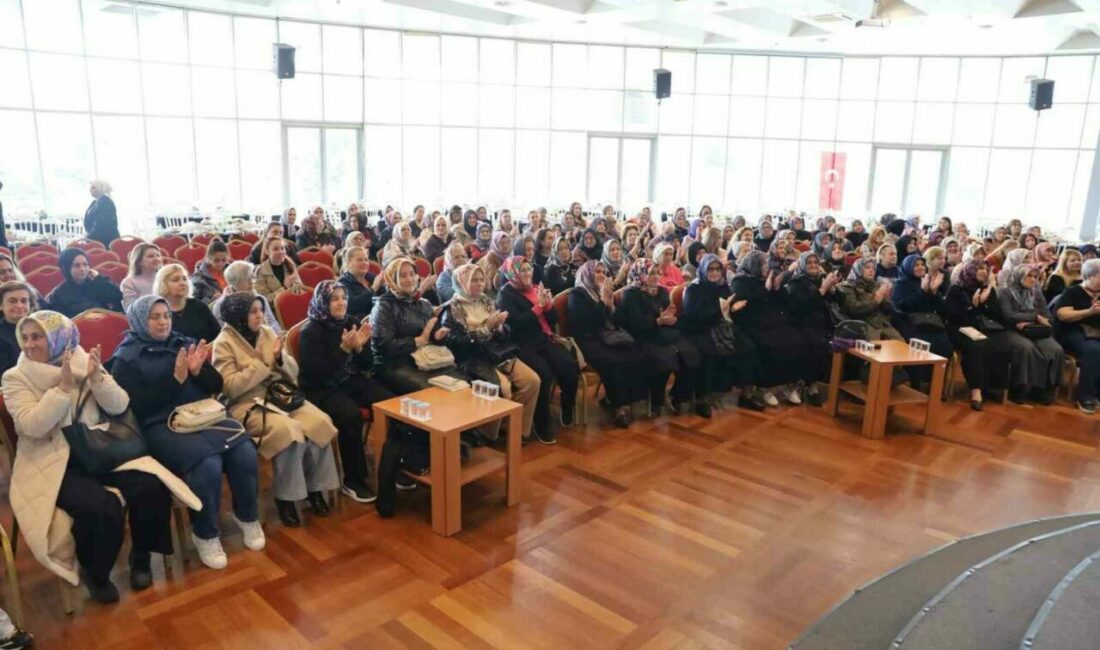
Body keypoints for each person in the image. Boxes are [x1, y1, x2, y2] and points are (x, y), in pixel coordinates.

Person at [4, 311, 198, 602]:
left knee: (150, 487)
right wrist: (62, 389)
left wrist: (97, 378)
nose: (29, 344)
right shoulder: (15, 377)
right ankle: (96, 573)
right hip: (55, 458)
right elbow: (31, 426)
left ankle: (141, 555)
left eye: (37, 336)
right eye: (26, 337)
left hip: (101, 447)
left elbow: (120, 406)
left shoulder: (83, 361)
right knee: (101, 507)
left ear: (60, 339)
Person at [111, 296, 262, 570]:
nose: (162, 322)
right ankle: (205, 533)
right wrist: (175, 381)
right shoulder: (127, 357)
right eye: (154, 317)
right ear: (139, 321)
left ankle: (247, 515)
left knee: (244, 451)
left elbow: (216, 384)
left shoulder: (183, 342)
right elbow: (135, 407)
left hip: (204, 414)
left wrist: (196, 373)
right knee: (208, 464)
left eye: (166, 315)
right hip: (162, 425)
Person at [212, 293, 339, 526]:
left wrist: (280, 358)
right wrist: (261, 364)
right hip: (247, 403)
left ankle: (316, 488)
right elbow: (229, 388)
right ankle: (286, 498)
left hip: (280, 394)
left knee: (319, 422)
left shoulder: (267, 332)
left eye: (261, 310)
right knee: (287, 432)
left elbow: (292, 373)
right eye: (253, 311)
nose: (260, 315)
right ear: (238, 315)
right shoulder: (223, 343)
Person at [299, 281, 393, 503]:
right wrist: (343, 350)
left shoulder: (350, 322)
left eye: (343, 298)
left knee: (390, 403)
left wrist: (360, 348)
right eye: (334, 299)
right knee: (349, 415)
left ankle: (394, 464)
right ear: (323, 302)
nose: (341, 302)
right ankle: (353, 479)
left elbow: (367, 365)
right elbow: (316, 374)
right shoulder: (310, 331)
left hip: (351, 380)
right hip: (322, 388)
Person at [439, 264, 540, 441]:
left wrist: (500, 327)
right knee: (504, 389)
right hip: (473, 358)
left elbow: (504, 332)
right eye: (474, 280)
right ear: (462, 283)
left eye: (481, 279)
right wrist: (487, 328)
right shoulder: (452, 308)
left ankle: (516, 430)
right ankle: (489, 435)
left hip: (497, 352)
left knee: (532, 381)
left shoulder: (486, 300)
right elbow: (457, 344)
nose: (479, 284)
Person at [496, 257, 579, 443]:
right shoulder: (505, 295)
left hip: (542, 339)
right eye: (522, 270)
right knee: (543, 374)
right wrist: (539, 307)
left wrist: (548, 305)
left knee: (568, 364)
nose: (527, 273)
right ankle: (542, 424)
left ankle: (567, 407)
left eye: (528, 269)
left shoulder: (536, 289)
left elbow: (553, 320)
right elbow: (516, 325)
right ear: (513, 274)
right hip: (521, 344)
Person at [731, 250, 825, 405]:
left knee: (798, 340)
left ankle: (790, 384)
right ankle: (766, 387)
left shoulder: (769, 278)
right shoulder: (740, 281)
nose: (767, 267)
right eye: (763, 264)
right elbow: (748, 305)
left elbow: (784, 301)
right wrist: (766, 289)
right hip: (752, 323)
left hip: (772, 322)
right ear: (754, 265)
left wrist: (777, 289)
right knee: (770, 344)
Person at [616, 259, 705, 417]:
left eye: (658, 273)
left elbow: (665, 314)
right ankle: (656, 401)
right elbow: (634, 324)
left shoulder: (662, 291)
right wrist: (658, 320)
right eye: (651, 273)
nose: (656, 277)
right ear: (641, 274)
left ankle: (677, 395)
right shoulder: (631, 294)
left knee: (691, 354)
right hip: (641, 337)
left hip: (662, 333)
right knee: (664, 360)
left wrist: (670, 317)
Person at [567, 261, 649, 427]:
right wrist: (603, 303)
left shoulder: (602, 292)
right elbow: (586, 325)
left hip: (607, 335)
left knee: (635, 353)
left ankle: (625, 399)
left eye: (603, 272)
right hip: (587, 340)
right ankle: (619, 407)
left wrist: (611, 307)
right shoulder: (577, 295)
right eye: (597, 271)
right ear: (587, 273)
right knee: (614, 360)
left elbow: (617, 322)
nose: (601, 275)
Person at [679, 254, 765, 411]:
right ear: (703, 270)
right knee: (709, 353)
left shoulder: (723, 287)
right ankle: (702, 399)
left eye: (718, 269)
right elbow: (694, 316)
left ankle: (746, 395)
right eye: (710, 269)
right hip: (700, 329)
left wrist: (733, 309)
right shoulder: (694, 289)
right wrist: (720, 310)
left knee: (749, 348)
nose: (714, 273)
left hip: (723, 326)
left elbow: (728, 313)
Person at [999, 265, 1064, 405]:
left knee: (1055, 349)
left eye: (1035, 277)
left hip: (1035, 329)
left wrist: (1029, 320)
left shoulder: (1036, 293)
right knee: (1026, 348)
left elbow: (1048, 316)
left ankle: (1041, 389)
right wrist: (1035, 316)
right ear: (1019, 276)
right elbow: (1008, 316)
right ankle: (1019, 390)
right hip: (1011, 330)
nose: (1033, 280)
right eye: (1029, 276)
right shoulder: (1005, 292)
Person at [785, 252, 842, 404]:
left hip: (821, 323)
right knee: (813, 343)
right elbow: (800, 307)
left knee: (827, 343)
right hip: (801, 323)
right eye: (809, 262)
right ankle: (805, 385)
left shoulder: (819, 280)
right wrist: (822, 290)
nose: (813, 265)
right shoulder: (796, 283)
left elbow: (838, 301)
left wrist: (833, 289)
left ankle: (813, 384)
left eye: (815, 263)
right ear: (803, 265)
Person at [891, 254, 952, 386]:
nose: (920, 268)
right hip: (908, 323)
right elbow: (903, 307)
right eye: (916, 265)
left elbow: (942, 310)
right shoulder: (900, 284)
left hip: (930, 322)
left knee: (944, 343)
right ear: (908, 267)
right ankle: (916, 382)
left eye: (922, 265)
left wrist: (934, 291)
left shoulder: (929, 281)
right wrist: (923, 291)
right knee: (922, 342)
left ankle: (936, 384)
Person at [1053, 258, 1100, 413]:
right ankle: (1086, 396)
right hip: (1072, 332)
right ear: (1091, 276)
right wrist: (1089, 312)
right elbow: (1062, 314)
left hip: (1095, 333)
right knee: (1093, 349)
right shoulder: (1073, 292)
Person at [837, 258, 902, 340]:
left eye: (873, 268)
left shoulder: (876, 285)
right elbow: (854, 309)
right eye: (867, 267)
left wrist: (885, 298)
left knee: (901, 345)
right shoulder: (848, 287)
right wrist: (876, 301)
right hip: (862, 325)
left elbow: (889, 309)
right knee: (875, 348)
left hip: (882, 324)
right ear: (858, 269)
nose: (871, 270)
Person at [46, 248, 124, 317]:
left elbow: (118, 297)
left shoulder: (97, 283)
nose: (83, 269)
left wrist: (98, 279)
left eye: (85, 264)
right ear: (66, 268)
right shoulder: (58, 295)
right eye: (77, 265)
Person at [153, 264, 220, 343]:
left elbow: (218, 335)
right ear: (162, 284)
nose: (182, 283)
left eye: (184, 279)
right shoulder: (157, 311)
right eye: (175, 280)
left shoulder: (199, 306)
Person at [210, 261, 281, 333]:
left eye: (253, 277)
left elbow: (273, 323)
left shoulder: (260, 298)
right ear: (236, 283)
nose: (252, 282)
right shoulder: (221, 307)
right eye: (248, 279)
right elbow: (228, 334)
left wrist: (275, 336)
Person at [254, 236, 305, 303]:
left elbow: (302, 290)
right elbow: (264, 300)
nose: (281, 252)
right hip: (274, 311)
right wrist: (285, 288)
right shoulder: (260, 271)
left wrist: (296, 288)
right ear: (267, 251)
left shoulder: (290, 266)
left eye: (282, 248)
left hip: (294, 305)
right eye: (275, 249)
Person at [0, 282, 35, 376]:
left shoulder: (42, 325)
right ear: (1, 305)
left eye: (24, 301)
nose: (19, 306)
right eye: (12, 301)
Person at [338, 246, 378, 323]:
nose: (364, 263)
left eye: (366, 260)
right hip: (356, 324)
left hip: (379, 319)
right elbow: (352, 305)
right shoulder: (343, 283)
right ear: (349, 263)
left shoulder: (373, 277)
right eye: (359, 260)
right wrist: (373, 289)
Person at [121, 243, 163, 309]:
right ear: (139, 261)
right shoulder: (129, 283)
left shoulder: (166, 277)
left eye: (158, 256)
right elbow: (130, 309)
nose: (156, 259)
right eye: (150, 256)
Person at [189, 239, 229, 305]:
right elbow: (193, 306)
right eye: (216, 260)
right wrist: (210, 300)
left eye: (224, 260)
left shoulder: (231, 271)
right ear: (209, 258)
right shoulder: (198, 278)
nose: (220, 264)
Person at [83, 180, 119, 247]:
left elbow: (101, 225)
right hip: (97, 239)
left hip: (105, 241)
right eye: (90, 188)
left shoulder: (105, 203)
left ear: (100, 189)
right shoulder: (96, 202)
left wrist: (88, 237)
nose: (90, 190)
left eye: (93, 188)